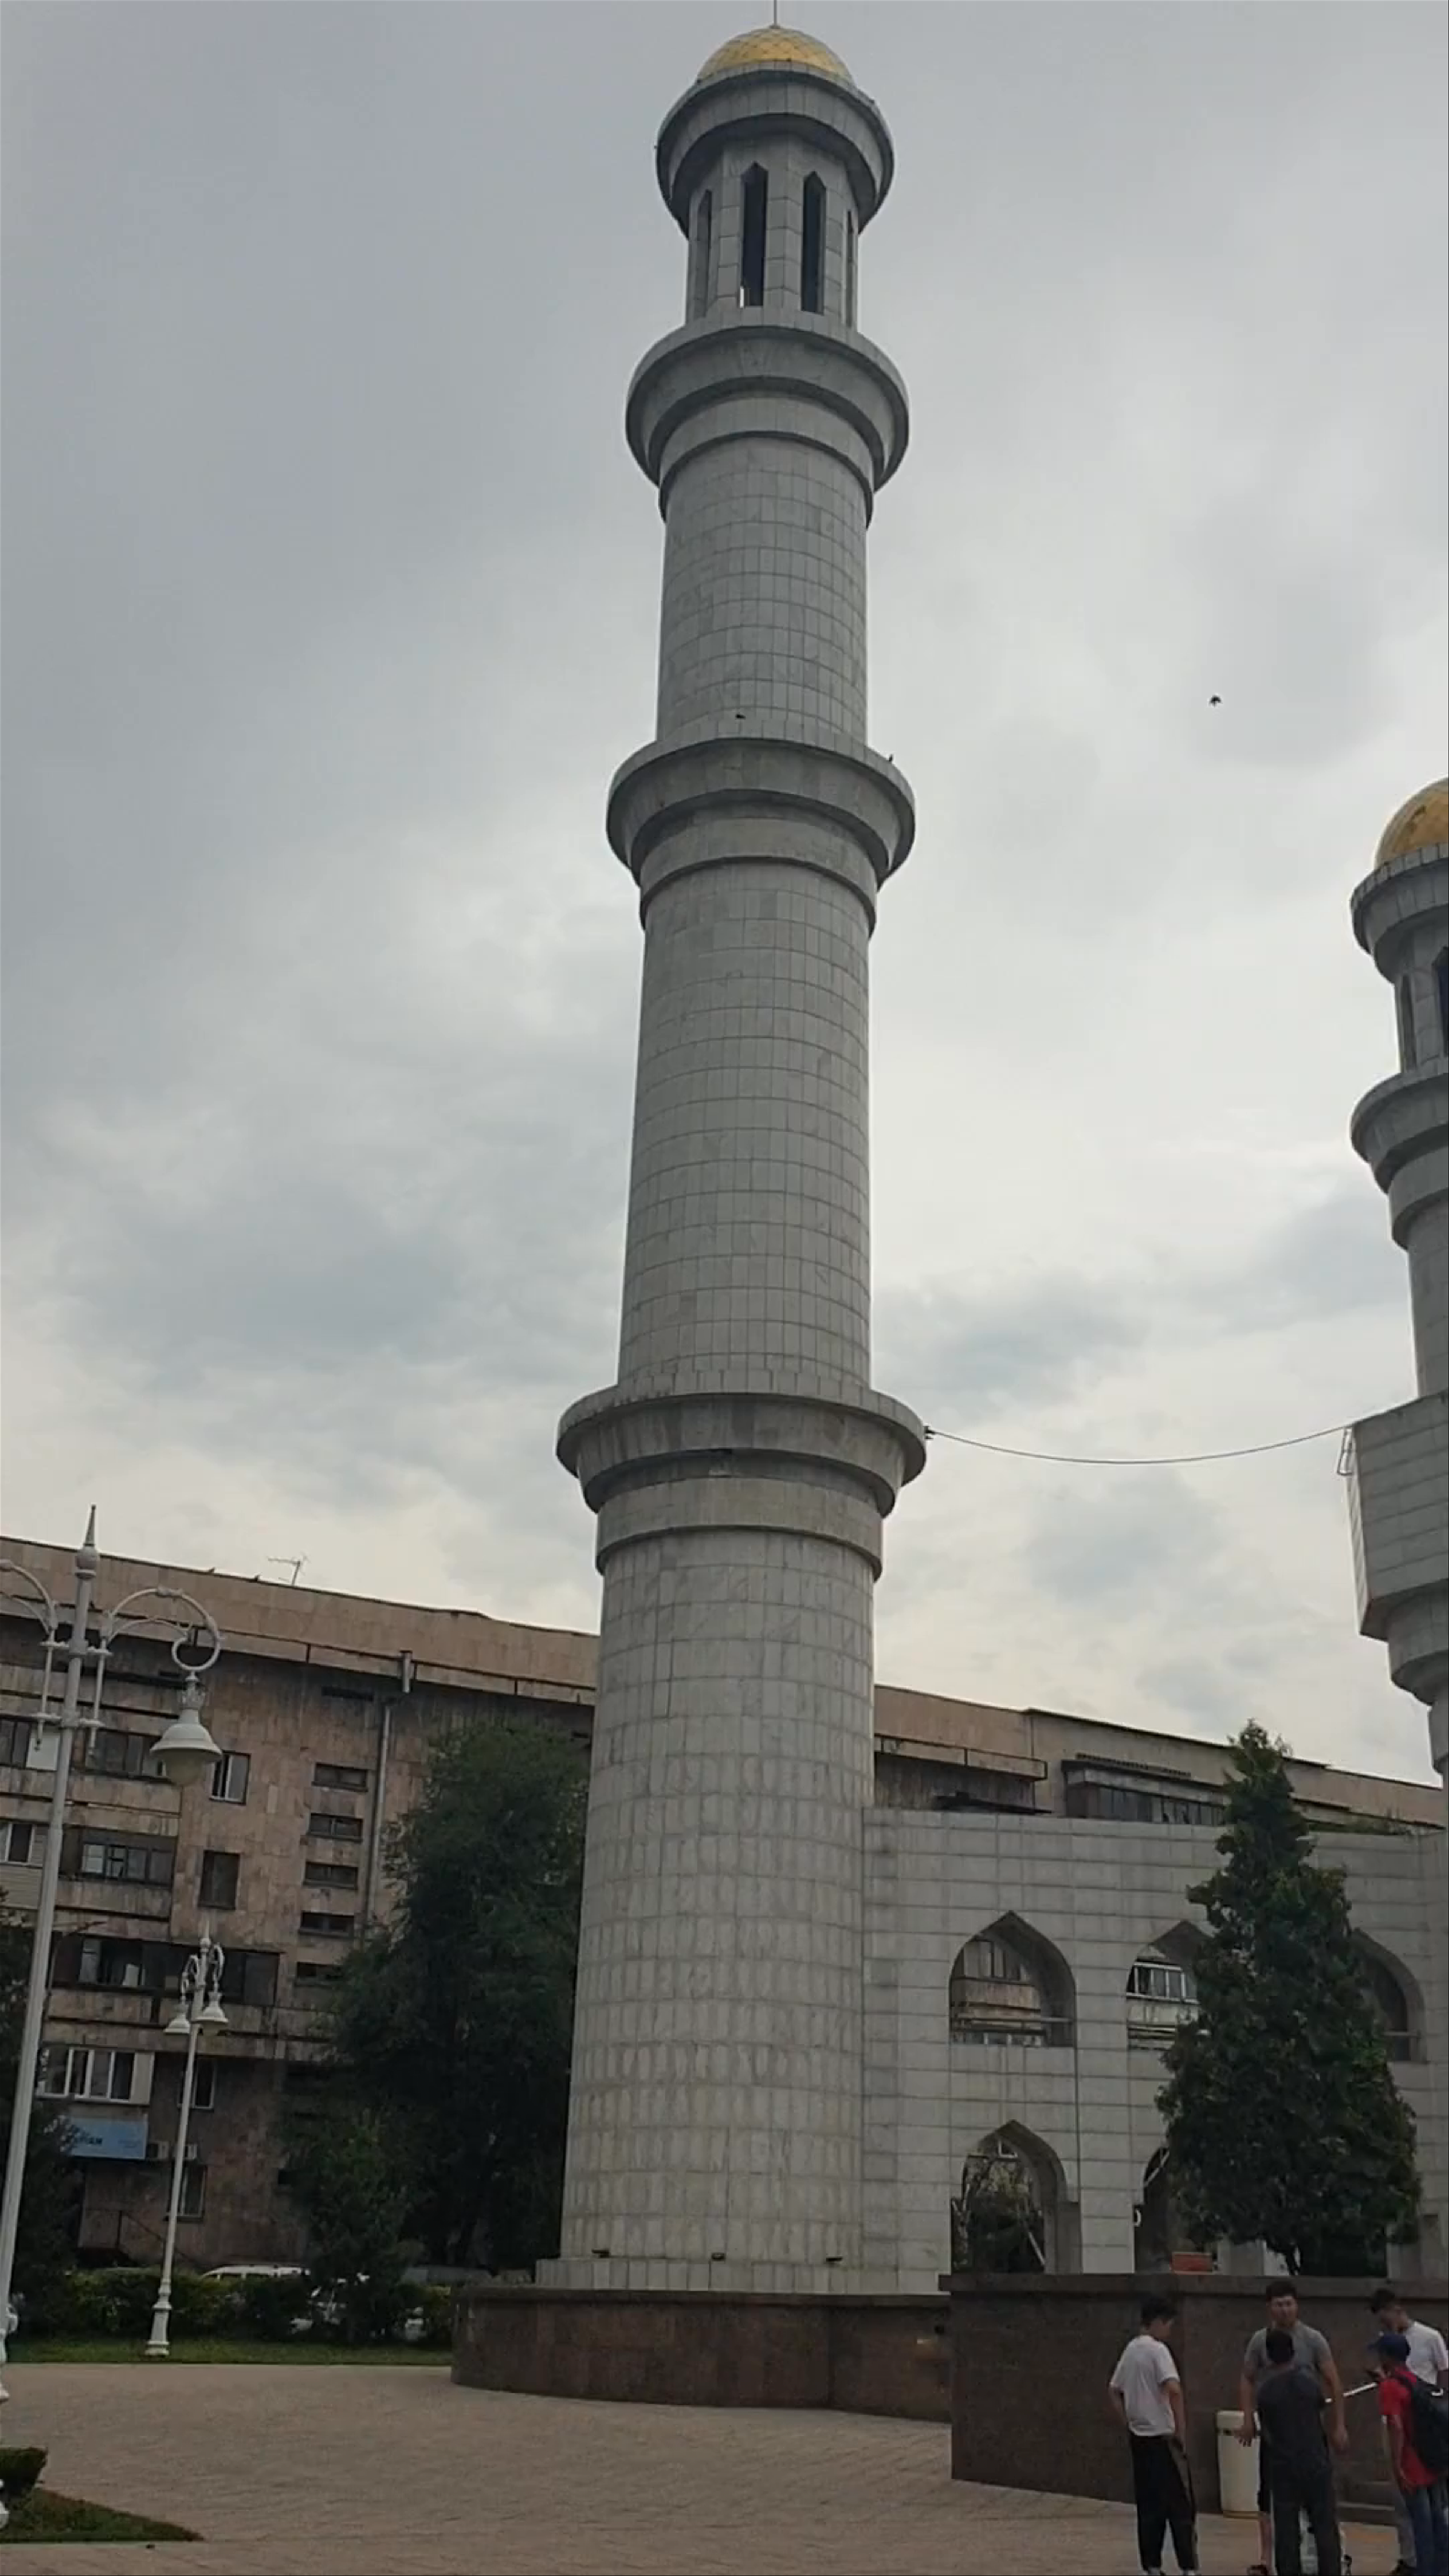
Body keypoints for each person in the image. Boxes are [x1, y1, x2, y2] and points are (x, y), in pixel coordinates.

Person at [1238, 2280, 1348, 2576]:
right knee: (1273, 2501)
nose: (1284, 2309)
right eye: (1278, 2304)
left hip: (1309, 2435)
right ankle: (1267, 2558)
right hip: (1278, 2437)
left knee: (1310, 2513)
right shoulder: (1259, 2341)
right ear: (1269, 2307)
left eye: (1289, 2303)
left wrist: (1338, 2425)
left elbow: (1334, 2382)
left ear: (1297, 2305)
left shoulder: (1313, 2339)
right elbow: (1247, 2378)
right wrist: (1247, 2418)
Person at [1109, 2295, 1200, 2576]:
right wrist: (1181, 2431)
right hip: (1163, 2436)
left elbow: (1114, 2390)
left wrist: (1128, 2421)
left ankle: (1152, 2564)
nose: (1170, 2330)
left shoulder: (1131, 2350)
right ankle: (1188, 2566)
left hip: (1140, 2437)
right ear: (1159, 2322)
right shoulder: (1158, 2351)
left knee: (1150, 2505)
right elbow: (1173, 2388)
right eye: (1169, 2324)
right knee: (1181, 2506)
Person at [1254, 2325, 1344, 2576]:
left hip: (1284, 2466)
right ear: (1294, 2352)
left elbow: (1268, 2431)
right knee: (1325, 2524)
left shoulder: (1266, 2393)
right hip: (1316, 2461)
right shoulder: (1309, 2383)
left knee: (1287, 2528)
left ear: (1269, 2357)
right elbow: (1319, 2414)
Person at [1370, 2289, 1449, 2574]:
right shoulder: (1414, 2379)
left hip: (1413, 2457)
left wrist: (1398, 2464)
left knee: (1422, 2520)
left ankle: (1424, 2568)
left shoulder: (1392, 2386)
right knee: (1437, 2515)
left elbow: (1397, 2425)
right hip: (1432, 2451)